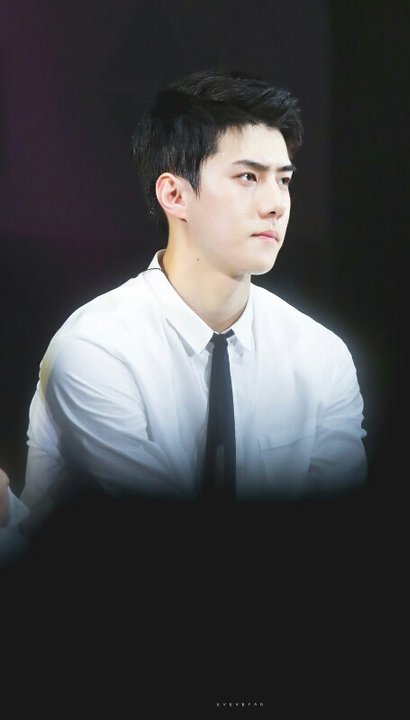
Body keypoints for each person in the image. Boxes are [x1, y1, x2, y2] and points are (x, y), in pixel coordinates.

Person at [1, 68, 367, 548]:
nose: (276, 204)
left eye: (283, 180)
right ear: (174, 194)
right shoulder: (97, 348)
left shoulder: (320, 355)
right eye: (248, 177)